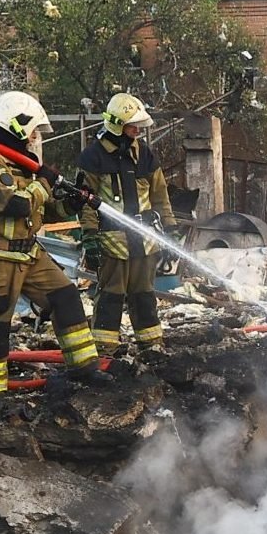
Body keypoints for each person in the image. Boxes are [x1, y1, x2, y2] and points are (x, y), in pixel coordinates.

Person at [0, 90, 101, 401]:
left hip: (29, 251)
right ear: (17, 126)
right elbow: (14, 203)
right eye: (33, 131)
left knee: (66, 296)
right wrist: (44, 182)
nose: (35, 138)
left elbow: (45, 210)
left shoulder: (23, 166)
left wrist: (71, 202)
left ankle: (84, 368)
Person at [73, 92, 173, 363]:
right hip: (112, 242)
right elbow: (84, 202)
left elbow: (160, 195)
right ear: (117, 125)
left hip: (144, 240)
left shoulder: (145, 156)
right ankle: (105, 353)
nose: (138, 131)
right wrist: (90, 238)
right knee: (111, 297)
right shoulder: (92, 158)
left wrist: (171, 231)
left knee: (144, 295)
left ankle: (151, 347)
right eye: (133, 126)